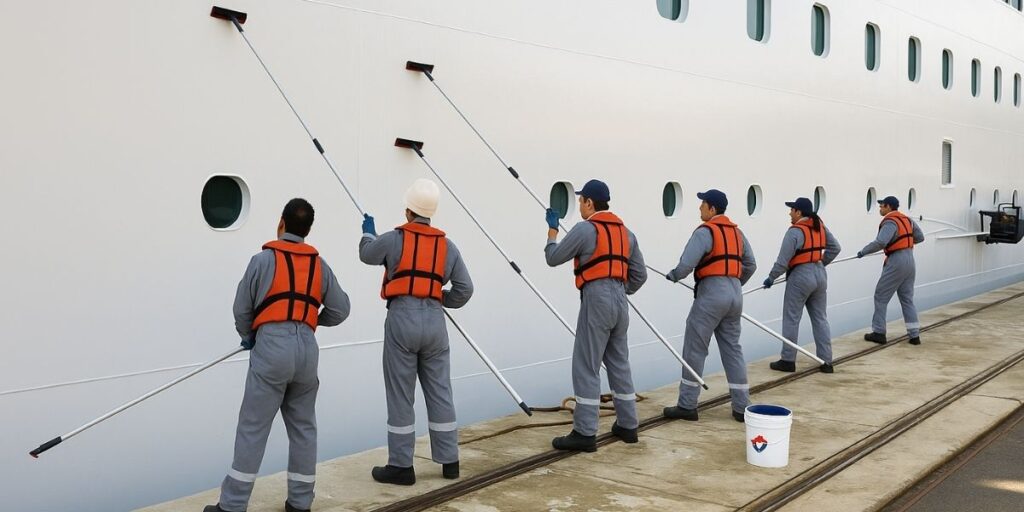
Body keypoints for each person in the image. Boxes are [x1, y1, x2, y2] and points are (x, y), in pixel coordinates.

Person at [207, 198, 351, 512]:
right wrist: (310, 320)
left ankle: (231, 505)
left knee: (253, 428)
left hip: (271, 347)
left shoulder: (261, 261)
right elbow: (341, 310)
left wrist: (250, 336)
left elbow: (241, 309)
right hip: (306, 350)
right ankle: (300, 503)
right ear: (308, 230)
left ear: (281, 223)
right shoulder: (319, 264)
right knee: (303, 428)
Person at [359, 179, 473, 485]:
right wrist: (439, 298)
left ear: (409, 211)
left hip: (402, 320)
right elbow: (465, 289)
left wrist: (368, 231)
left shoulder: (396, 238)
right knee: (440, 391)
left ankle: (401, 466)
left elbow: (367, 254)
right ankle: (450, 461)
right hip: (435, 322)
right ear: (431, 213)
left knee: (400, 395)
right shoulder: (447, 246)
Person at [543, 179, 648, 452]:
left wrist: (552, 232)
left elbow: (553, 258)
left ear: (590, 202)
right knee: (619, 363)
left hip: (596, 298)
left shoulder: (585, 230)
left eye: (580, 201)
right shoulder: (627, 233)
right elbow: (640, 275)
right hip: (620, 300)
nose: (579, 205)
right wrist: (620, 289)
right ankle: (628, 425)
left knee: (586, 365)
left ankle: (585, 431)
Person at [663, 189, 756, 423]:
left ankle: (687, 405)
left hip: (711, 295)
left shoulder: (705, 232)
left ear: (712, 209)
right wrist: (734, 282)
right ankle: (741, 406)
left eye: (703, 204)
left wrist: (674, 275)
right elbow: (751, 265)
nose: (699, 208)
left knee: (695, 348)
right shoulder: (738, 233)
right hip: (735, 295)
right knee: (733, 349)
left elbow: (686, 264)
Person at [761, 197, 841, 373]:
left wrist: (771, 278)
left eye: (792, 210)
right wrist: (819, 262)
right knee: (820, 319)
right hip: (820, 275)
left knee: (791, 318)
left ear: (799, 212)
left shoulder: (794, 232)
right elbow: (835, 247)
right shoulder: (819, 226)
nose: (789, 213)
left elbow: (783, 262)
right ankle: (826, 361)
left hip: (800, 277)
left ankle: (788, 360)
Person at [858, 196, 925, 345]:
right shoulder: (907, 220)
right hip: (910, 259)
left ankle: (879, 332)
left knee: (880, 296)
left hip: (896, 260)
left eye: (881, 206)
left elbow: (881, 242)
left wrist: (863, 252)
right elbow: (920, 237)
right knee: (907, 299)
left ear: (888, 207)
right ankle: (914, 335)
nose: (880, 209)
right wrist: (904, 240)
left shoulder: (890, 221)